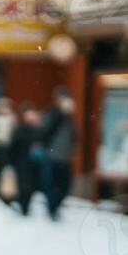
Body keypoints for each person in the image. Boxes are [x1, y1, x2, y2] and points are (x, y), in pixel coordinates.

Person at [38, 89, 77, 220]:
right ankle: (51, 209)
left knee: (65, 184)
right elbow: (44, 131)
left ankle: (56, 206)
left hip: (65, 157)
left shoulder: (69, 117)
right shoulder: (51, 114)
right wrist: (60, 114)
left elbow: (73, 135)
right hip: (51, 156)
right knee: (51, 184)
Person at [7, 106, 43, 216]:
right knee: (24, 186)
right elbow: (13, 147)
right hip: (22, 163)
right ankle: (24, 207)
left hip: (30, 163)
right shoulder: (21, 130)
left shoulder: (36, 131)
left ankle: (24, 206)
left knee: (29, 186)